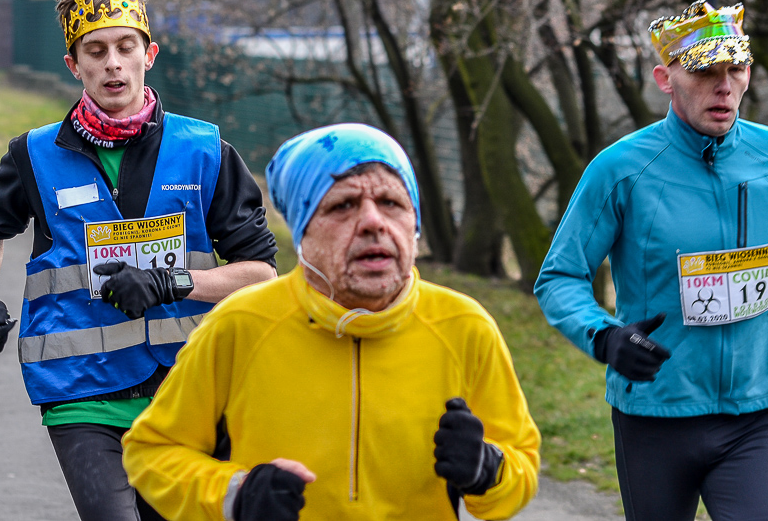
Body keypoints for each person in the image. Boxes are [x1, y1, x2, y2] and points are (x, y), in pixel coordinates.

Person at [0, 0, 278, 521]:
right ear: (74, 65)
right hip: (81, 391)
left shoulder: (205, 151)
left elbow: (260, 274)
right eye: (96, 49)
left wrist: (172, 282)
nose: (112, 63)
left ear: (148, 53)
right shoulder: (34, 156)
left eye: (125, 46)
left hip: (186, 388)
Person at [121, 122, 541, 521]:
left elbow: (521, 464)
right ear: (303, 233)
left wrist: (489, 469)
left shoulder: (464, 326)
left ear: (414, 225)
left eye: (392, 203)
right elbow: (151, 453)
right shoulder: (240, 325)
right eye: (343, 205)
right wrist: (235, 494)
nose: (374, 222)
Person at [535, 0, 768, 521]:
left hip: (755, 414)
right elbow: (560, 275)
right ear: (665, 79)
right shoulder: (620, 169)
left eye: (734, 68)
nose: (723, 86)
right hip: (654, 413)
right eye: (703, 71)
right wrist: (604, 336)